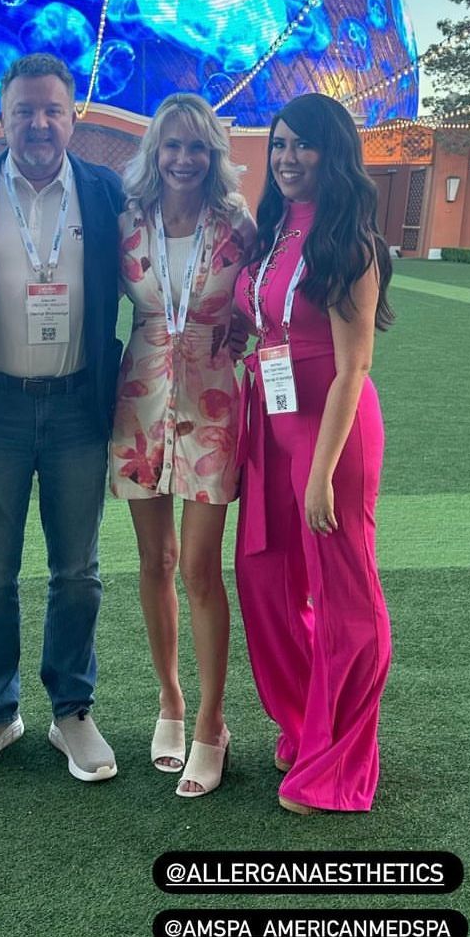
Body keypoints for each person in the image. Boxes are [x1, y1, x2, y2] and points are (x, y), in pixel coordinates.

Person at [0, 53, 123, 783]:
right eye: (24, 110)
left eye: (52, 109)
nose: (39, 123)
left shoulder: (108, 193)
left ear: (72, 115)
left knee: (76, 571)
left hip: (81, 403)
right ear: (3, 117)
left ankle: (71, 712)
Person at [234, 92, 394, 814]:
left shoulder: (350, 240)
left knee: (345, 595)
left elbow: (353, 364)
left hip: (331, 431)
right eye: (279, 145)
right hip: (272, 423)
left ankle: (342, 760)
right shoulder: (272, 230)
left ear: (333, 153)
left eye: (303, 145)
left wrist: (323, 473)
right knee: (262, 577)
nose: (288, 158)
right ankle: (306, 724)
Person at [109, 93, 255, 797]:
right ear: (155, 154)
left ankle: (211, 722)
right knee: (154, 559)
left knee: (199, 567)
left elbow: (263, 306)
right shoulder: (126, 225)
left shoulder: (238, 225)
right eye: (172, 146)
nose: (183, 158)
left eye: (197, 147)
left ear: (213, 154)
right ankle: (167, 699)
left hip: (213, 406)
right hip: (139, 402)